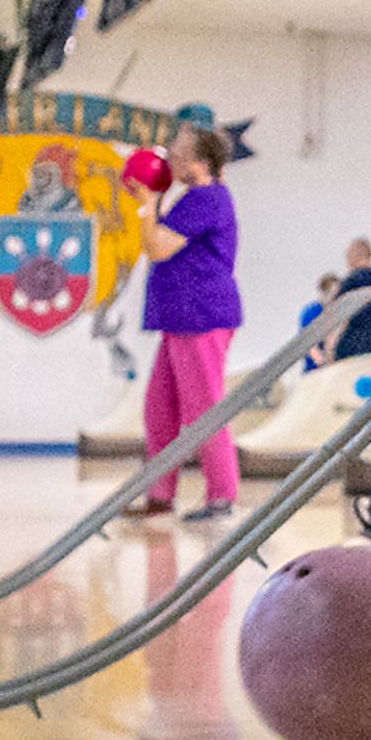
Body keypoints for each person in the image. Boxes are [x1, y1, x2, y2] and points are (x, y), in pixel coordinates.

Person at [132, 124, 246, 521]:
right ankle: (160, 495)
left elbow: (157, 247)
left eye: (178, 152)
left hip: (202, 316)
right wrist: (156, 199)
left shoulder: (207, 199)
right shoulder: (190, 198)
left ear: (199, 161)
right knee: (159, 408)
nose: (169, 157)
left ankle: (222, 497)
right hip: (181, 318)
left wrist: (147, 203)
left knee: (204, 409)